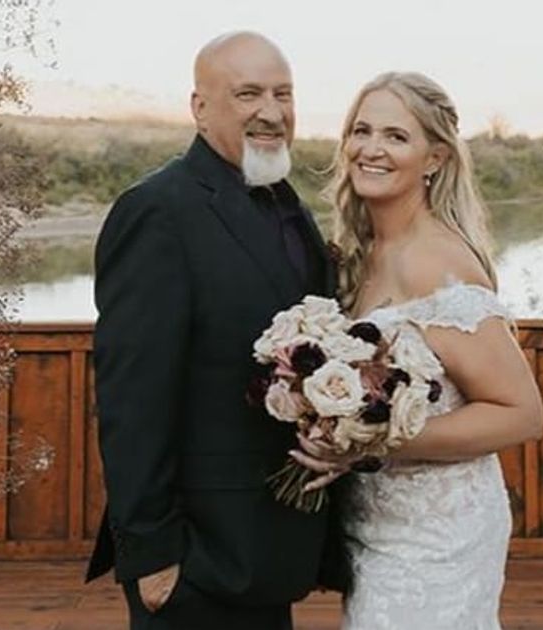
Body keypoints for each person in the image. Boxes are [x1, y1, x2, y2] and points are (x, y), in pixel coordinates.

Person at [86, 31, 345, 629]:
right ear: (200, 108)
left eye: (284, 93)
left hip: (266, 551)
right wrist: (151, 558)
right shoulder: (158, 210)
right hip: (194, 560)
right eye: (248, 93)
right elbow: (132, 397)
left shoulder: (289, 204)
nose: (272, 111)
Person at [291, 71, 543, 630]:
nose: (372, 149)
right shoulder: (363, 255)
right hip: (374, 526)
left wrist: (374, 443)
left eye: (396, 136)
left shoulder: (437, 262)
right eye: (362, 130)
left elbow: (522, 414)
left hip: (438, 533)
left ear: (434, 159)